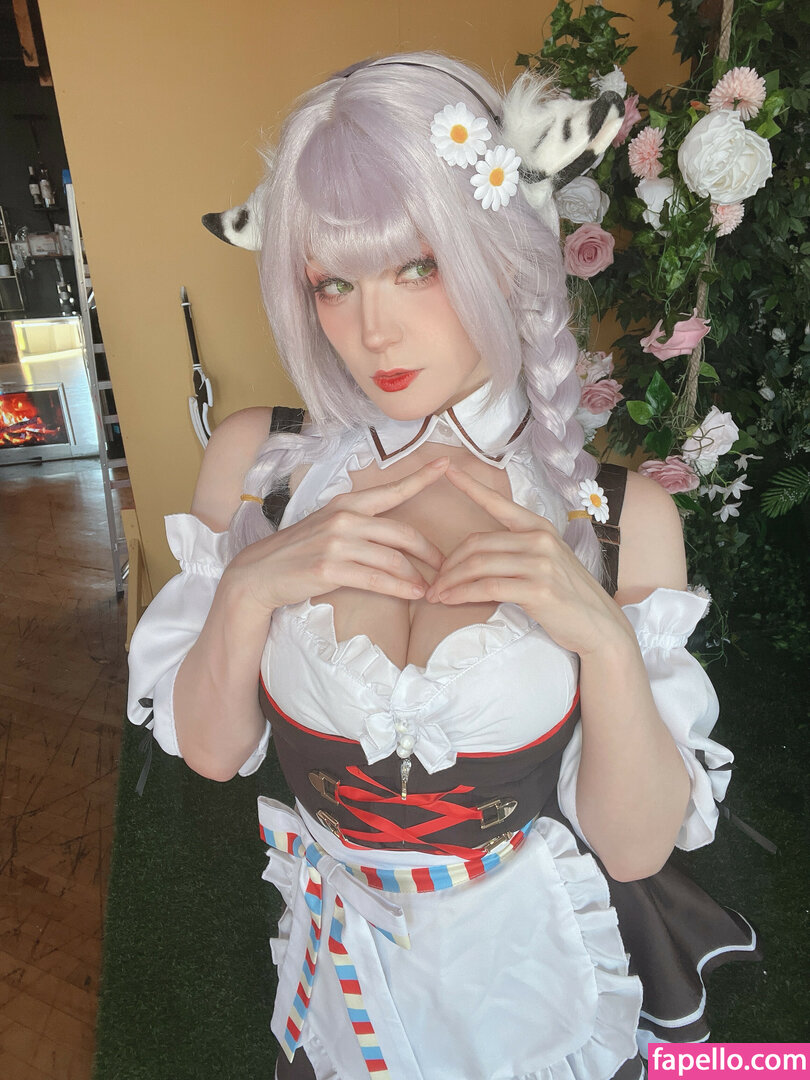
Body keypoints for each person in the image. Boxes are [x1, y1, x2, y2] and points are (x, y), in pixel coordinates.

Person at [128, 53, 758, 1080]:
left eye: (417, 267)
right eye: (333, 283)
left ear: (501, 255)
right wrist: (249, 588)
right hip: (340, 982)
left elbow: (635, 848)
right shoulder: (260, 467)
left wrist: (602, 639)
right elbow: (209, 751)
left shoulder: (619, 518)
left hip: (530, 985)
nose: (371, 330)